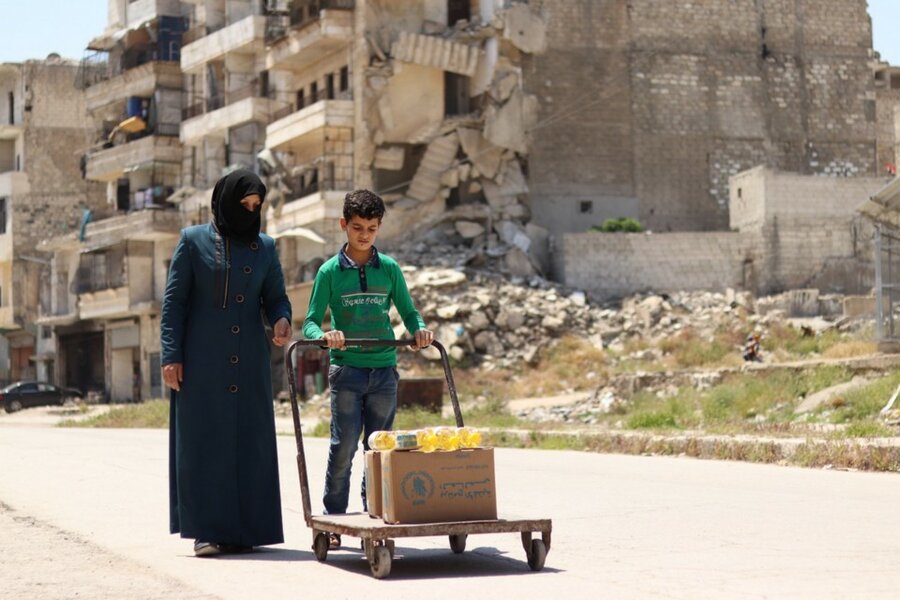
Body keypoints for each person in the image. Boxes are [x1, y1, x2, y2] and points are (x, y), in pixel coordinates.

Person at [161, 169, 292, 557]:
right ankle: (206, 530)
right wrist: (171, 355)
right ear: (225, 202)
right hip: (202, 362)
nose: (250, 213)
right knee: (204, 443)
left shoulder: (266, 247)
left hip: (249, 363)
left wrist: (282, 319)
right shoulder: (193, 241)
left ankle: (247, 530)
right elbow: (174, 305)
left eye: (257, 207)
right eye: (244, 205)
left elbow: (277, 298)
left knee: (249, 444)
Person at [303, 189, 433, 547]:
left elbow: (409, 312)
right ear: (344, 224)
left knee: (379, 450)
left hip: (384, 371)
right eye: (357, 227)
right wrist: (326, 336)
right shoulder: (329, 272)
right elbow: (310, 323)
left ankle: (373, 521)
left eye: (372, 229)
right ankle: (332, 521)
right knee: (343, 445)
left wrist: (418, 329)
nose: (364, 235)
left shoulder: (389, 269)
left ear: (379, 228)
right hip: (347, 371)